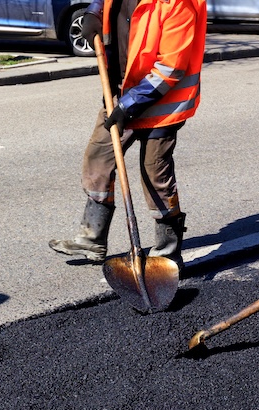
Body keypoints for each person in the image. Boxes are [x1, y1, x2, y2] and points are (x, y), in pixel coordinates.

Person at [48, 0, 206, 269]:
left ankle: (167, 252)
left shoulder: (178, 4)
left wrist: (127, 106)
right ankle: (91, 238)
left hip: (164, 102)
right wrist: (93, 12)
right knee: (100, 156)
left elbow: (171, 67)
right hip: (123, 92)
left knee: (154, 173)